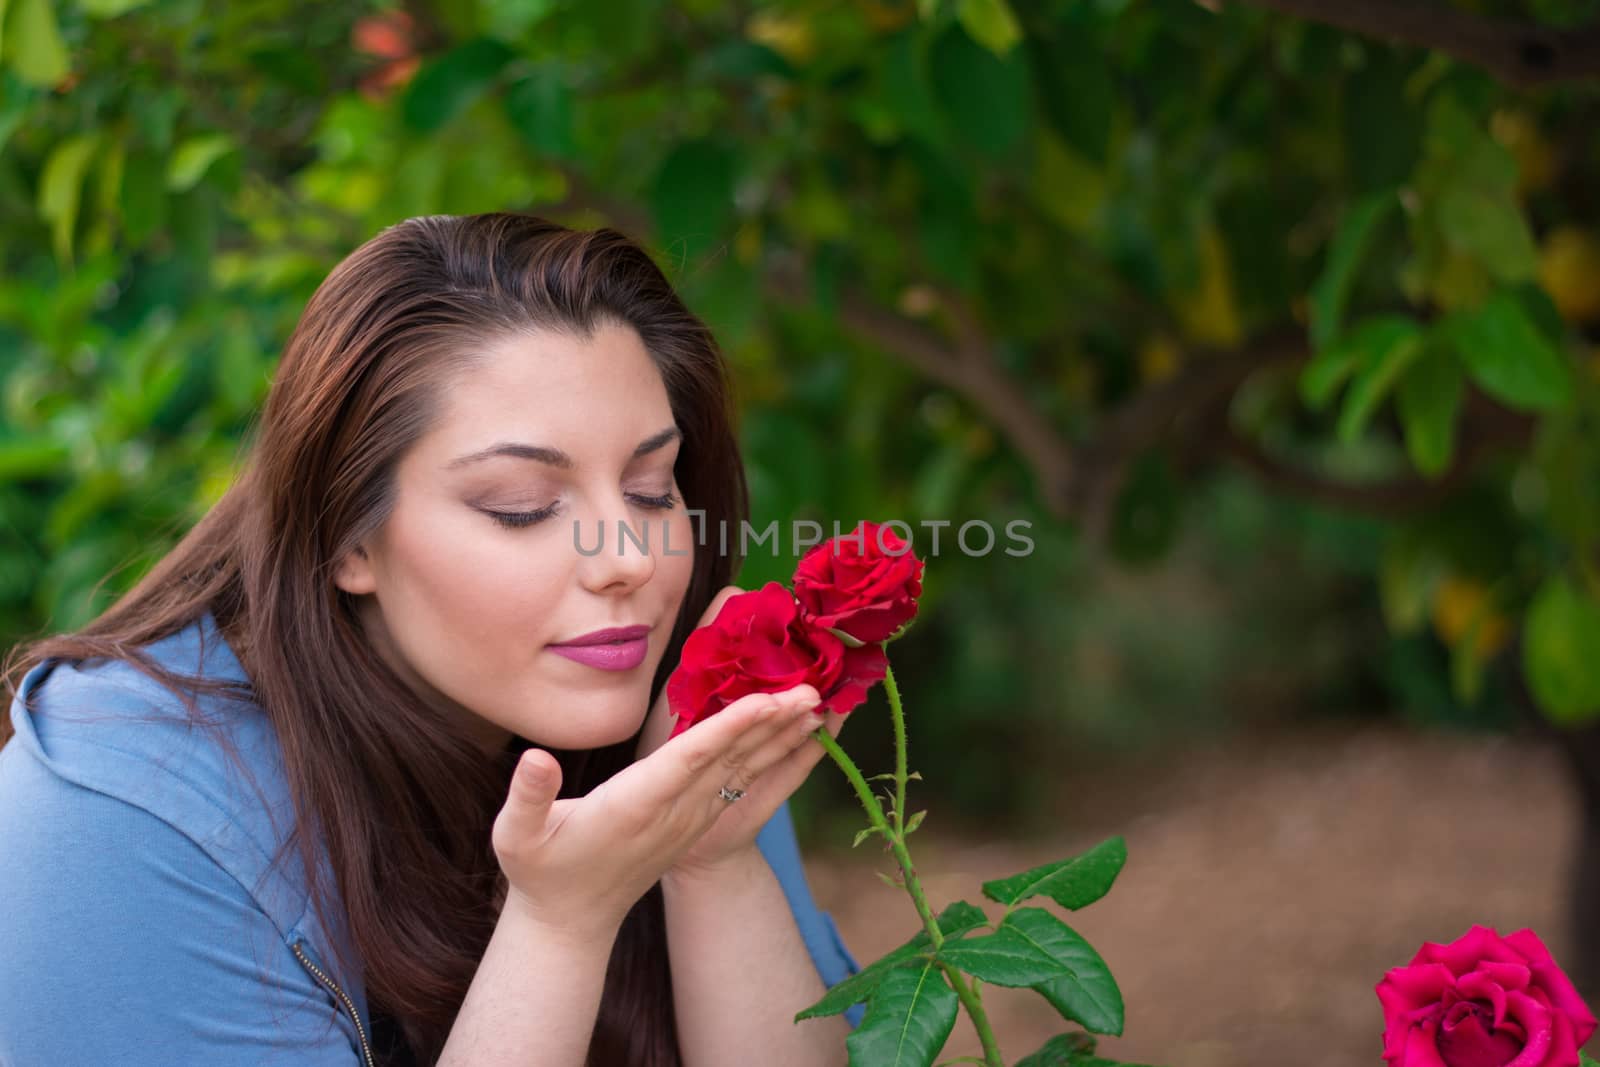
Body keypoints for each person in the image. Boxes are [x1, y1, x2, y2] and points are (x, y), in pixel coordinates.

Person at [0, 213, 863, 1067]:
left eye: (649, 487)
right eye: (522, 505)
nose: (629, 559)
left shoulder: (665, 706)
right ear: (348, 540)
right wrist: (561, 923)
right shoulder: (124, 813)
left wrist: (709, 857)